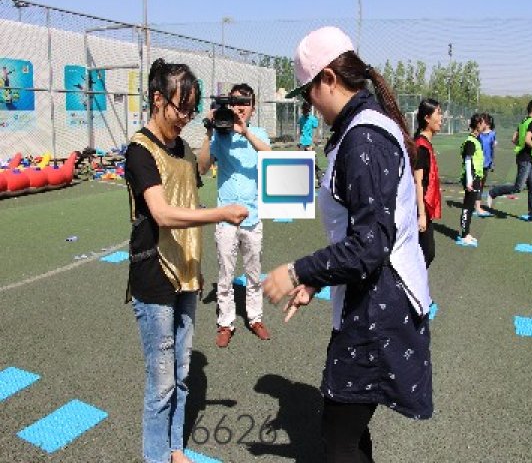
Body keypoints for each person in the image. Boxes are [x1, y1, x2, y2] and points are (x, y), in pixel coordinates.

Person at [263, 26, 432, 463]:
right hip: (374, 297)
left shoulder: (364, 136)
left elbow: (369, 245)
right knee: (348, 431)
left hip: (379, 305)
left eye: (308, 93)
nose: (310, 104)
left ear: (329, 79)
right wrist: (317, 281)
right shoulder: (364, 127)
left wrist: (298, 272)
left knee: (340, 438)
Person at [124, 58, 248, 463]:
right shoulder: (139, 150)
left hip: (188, 272)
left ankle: (175, 448)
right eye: (182, 108)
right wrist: (220, 213)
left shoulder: (181, 147)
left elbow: (201, 169)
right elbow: (162, 214)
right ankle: (156, 456)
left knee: (181, 376)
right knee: (161, 383)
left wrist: (213, 130)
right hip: (155, 272)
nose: (185, 118)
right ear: (158, 99)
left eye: (192, 111)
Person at [198, 83, 272, 348]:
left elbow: (270, 157)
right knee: (225, 274)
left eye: (245, 102)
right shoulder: (220, 134)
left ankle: (255, 318)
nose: (240, 107)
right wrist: (209, 131)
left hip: (253, 217)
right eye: (235, 102)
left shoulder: (259, 133)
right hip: (226, 218)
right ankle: (226, 323)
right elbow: (202, 168)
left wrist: (245, 131)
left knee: (254, 273)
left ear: (253, 107)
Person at [487, 99, 532, 223]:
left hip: (526, 158)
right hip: (526, 159)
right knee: (518, 187)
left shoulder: (523, 121)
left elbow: (514, 139)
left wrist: (521, 145)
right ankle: (493, 192)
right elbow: (528, 140)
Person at [413, 98, 443, 268]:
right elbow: (417, 182)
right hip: (419, 208)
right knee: (426, 253)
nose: (441, 118)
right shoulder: (421, 146)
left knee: (425, 253)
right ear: (427, 118)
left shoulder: (426, 144)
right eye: (438, 113)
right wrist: (421, 215)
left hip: (423, 207)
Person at [458, 113, 486, 246]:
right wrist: (469, 180)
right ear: (478, 124)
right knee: (467, 206)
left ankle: (467, 233)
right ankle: (464, 235)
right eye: (483, 123)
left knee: (470, 206)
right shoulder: (470, 141)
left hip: (475, 177)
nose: (484, 125)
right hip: (471, 178)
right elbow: (468, 160)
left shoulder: (476, 140)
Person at [474, 112, 497, 216]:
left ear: (487, 123)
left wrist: (492, 162)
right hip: (478, 163)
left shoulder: (492, 134)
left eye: (482, 121)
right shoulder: (478, 134)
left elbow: (492, 149)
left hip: (487, 163)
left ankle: (477, 206)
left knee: (481, 185)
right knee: (477, 185)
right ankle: (477, 207)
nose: (480, 123)